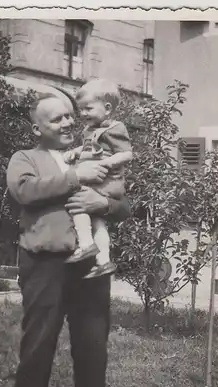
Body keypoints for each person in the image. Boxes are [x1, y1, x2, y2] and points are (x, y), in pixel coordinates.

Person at [0, 92, 131, 387]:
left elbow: (123, 202)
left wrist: (101, 204)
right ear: (38, 128)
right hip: (45, 264)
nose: (68, 123)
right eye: (57, 119)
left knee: (92, 348)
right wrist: (75, 177)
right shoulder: (26, 159)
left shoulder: (93, 150)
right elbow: (25, 191)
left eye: (70, 116)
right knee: (37, 347)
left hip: (90, 266)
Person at [63, 79, 133, 279]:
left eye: (88, 108)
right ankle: (103, 261)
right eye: (81, 109)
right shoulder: (91, 130)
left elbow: (127, 154)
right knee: (98, 223)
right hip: (100, 182)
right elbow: (89, 149)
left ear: (108, 108)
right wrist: (76, 152)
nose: (83, 113)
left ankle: (86, 245)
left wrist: (106, 164)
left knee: (78, 204)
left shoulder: (115, 128)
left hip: (105, 181)